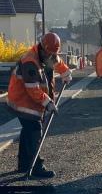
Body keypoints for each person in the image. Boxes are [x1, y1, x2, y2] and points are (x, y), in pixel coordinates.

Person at [6, 32, 72, 178]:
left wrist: (65, 72)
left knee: (27, 130)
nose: (51, 57)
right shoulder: (30, 61)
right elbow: (33, 89)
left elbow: (57, 61)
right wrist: (48, 103)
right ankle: (36, 166)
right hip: (22, 101)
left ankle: (24, 164)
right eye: (49, 54)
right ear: (42, 48)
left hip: (30, 100)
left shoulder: (47, 55)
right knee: (34, 130)